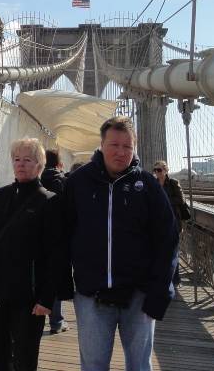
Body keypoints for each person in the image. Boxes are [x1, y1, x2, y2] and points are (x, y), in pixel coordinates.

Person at [64, 116, 178, 371]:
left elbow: (168, 240)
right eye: (114, 144)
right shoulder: (77, 183)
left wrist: (159, 292)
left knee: (139, 366)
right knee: (93, 365)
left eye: (127, 146)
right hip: (91, 294)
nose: (121, 152)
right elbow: (61, 236)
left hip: (140, 295)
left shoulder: (148, 186)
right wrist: (60, 285)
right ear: (101, 144)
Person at [0, 138, 60, 371]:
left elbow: (55, 255)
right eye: (17, 159)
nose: (21, 164)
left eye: (28, 160)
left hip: (28, 298)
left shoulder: (50, 202)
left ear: (39, 165)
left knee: (25, 361)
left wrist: (47, 298)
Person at [40, 149, 69, 335]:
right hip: (59, 237)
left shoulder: (36, 178)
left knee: (38, 276)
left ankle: (34, 317)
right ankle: (56, 322)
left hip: (37, 235)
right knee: (56, 278)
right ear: (59, 162)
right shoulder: (64, 180)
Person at [152, 160, 188, 286]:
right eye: (155, 170)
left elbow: (181, 200)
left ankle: (175, 279)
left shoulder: (173, 183)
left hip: (173, 222)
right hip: (158, 223)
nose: (157, 172)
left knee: (173, 251)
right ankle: (163, 278)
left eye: (159, 170)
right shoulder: (153, 183)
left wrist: (164, 200)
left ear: (166, 170)